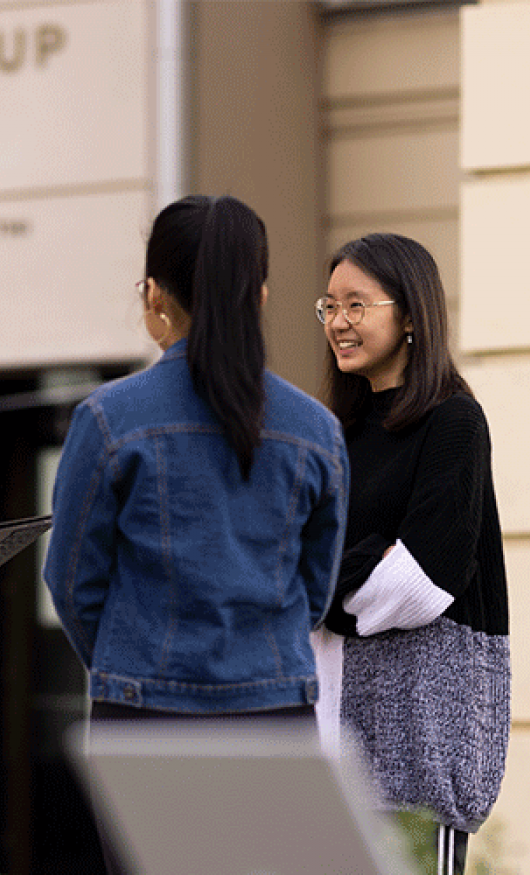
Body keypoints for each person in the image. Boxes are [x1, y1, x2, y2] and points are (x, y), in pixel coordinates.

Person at [43, 195, 348, 871]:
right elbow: (317, 590)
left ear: (154, 296)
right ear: (261, 294)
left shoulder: (108, 418)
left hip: (146, 712)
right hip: (276, 709)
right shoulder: (317, 430)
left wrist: (131, 656)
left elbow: (70, 579)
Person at [311, 233, 509, 875]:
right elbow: (305, 562)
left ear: (412, 315)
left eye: (357, 304)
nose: (339, 322)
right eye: (330, 306)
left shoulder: (454, 421)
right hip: (333, 724)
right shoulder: (332, 433)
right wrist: (362, 562)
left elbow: (420, 580)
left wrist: (328, 596)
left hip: (424, 728)